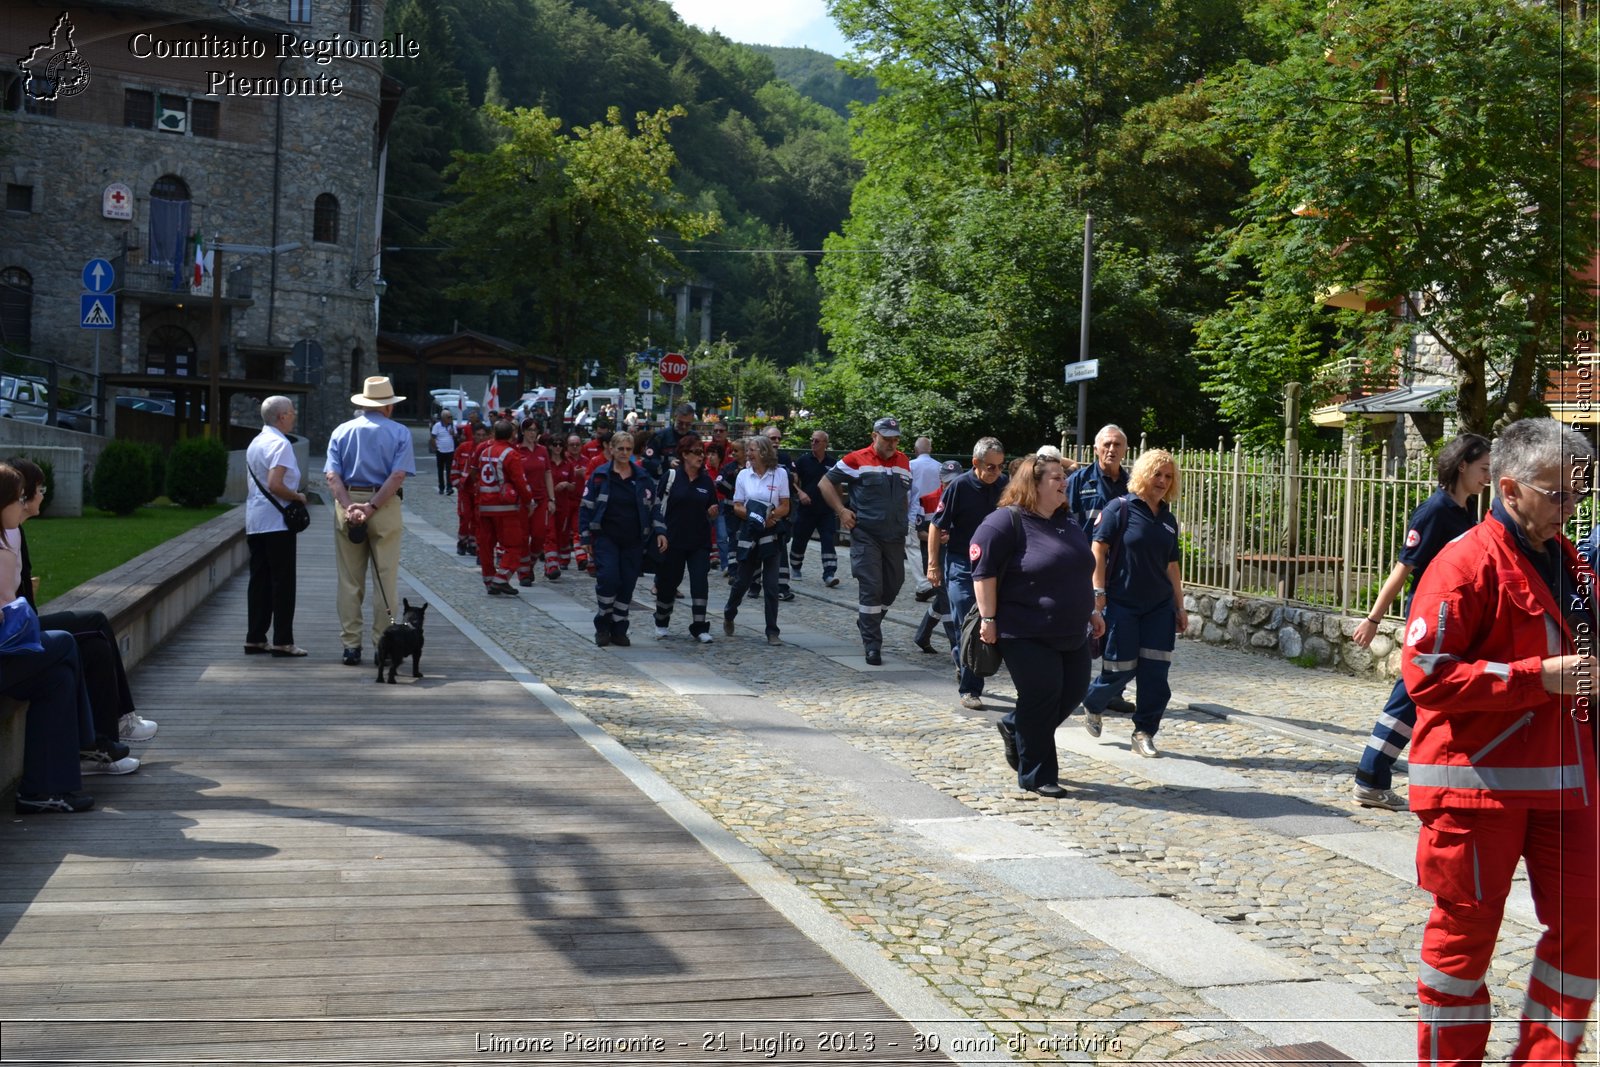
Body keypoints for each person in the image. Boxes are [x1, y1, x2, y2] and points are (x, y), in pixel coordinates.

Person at [1401, 418, 1598, 1065]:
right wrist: (1535, 677)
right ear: (1509, 488)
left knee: (1586, 928)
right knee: (1463, 949)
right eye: (1560, 495)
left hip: (1565, 781)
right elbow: (1426, 673)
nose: (1572, 509)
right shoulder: (1463, 562)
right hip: (1477, 789)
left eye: (1580, 496)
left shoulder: (1568, 558)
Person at [1348, 433, 1492, 811]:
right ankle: (1370, 777)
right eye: (1483, 468)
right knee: (1410, 696)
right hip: (1431, 617)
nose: (1488, 476)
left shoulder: (1464, 512)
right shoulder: (1434, 511)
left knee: (1434, 697)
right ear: (1462, 466)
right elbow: (1402, 570)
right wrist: (1373, 619)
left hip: (1456, 617)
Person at [970, 452, 1103, 798]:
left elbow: (1078, 570)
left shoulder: (1067, 521)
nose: (1064, 483)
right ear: (1034, 484)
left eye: (1063, 476)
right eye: (1056, 478)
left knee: (1072, 693)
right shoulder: (1004, 522)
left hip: (1072, 628)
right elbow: (982, 572)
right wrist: (988, 618)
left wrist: (1092, 610)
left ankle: (1017, 726)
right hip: (1024, 630)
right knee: (1042, 696)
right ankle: (1037, 774)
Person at [10, 459, 157, 748]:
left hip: (22, 628)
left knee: (96, 646)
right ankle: (120, 722)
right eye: (40, 488)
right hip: (17, 637)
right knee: (95, 623)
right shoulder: (8, 536)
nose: (43, 494)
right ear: (23, 494)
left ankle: (100, 743)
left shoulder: (15, 532)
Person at [1080, 449, 1187, 757]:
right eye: (1157, 474)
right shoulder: (1119, 508)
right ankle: (1093, 701)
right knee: (1120, 667)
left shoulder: (1167, 519)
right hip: (1123, 603)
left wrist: (1180, 606)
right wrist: (1097, 591)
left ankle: (1144, 731)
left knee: (1156, 675)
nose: (1163, 481)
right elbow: (1097, 550)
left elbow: (1172, 567)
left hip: (1159, 609)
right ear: (1143, 474)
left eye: (1168, 476)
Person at [324, 376, 415, 666]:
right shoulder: (400, 432)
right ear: (388, 406)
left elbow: (331, 476)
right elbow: (398, 475)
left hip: (347, 504)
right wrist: (372, 507)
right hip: (384, 505)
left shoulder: (342, 431)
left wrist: (351, 508)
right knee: (385, 578)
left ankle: (351, 645)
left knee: (349, 580)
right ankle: (382, 644)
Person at [819, 416, 914, 666]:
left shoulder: (904, 460)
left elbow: (902, 497)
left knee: (894, 585)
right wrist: (842, 511)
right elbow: (826, 482)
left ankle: (867, 621)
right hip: (866, 535)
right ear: (874, 437)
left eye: (895, 439)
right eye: (886, 439)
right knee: (871, 587)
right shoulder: (855, 459)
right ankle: (872, 644)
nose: (892, 444)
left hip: (894, 536)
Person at [928, 438, 1008, 710]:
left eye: (999, 467)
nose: (995, 472)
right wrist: (933, 564)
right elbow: (936, 526)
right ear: (975, 463)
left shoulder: (1004, 486)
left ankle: (961, 657)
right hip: (962, 564)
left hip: (994, 566)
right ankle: (970, 689)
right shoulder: (959, 486)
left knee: (989, 622)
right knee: (972, 623)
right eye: (990, 467)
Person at [244, 396, 307, 657]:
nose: (294, 416)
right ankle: (283, 640)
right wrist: (298, 497)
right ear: (281, 416)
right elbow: (275, 484)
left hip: (255, 520)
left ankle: (255, 637)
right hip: (277, 523)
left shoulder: (256, 442)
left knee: (259, 581)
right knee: (283, 582)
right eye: (291, 413)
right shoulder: (281, 444)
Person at [580, 431, 654, 647]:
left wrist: (658, 532)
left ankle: (619, 627)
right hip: (606, 537)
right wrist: (585, 536)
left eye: (628, 449)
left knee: (627, 583)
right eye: (620, 448)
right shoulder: (601, 475)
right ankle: (603, 625)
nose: (624, 453)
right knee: (609, 578)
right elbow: (586, 506)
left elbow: (653, 506)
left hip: (633, 539)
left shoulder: (641, 477)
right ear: (611, 449)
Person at [723, 435, 790, 645]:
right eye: (748, 450)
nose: (749, 454)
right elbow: (737, 506)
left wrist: (770, 517)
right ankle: (729, 612)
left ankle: (772, 631)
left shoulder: (779, 474)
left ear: (764, 452)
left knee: (771, 585)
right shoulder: (743, 475)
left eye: (752, 450)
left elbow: (785, 505)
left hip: (772, 532)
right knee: (742, 580)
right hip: (750, 532)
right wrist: (757, 517)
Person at [652, 434, 719, 643]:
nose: (702, 456)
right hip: (673, 540)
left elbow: (711, 508)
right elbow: (656, 507)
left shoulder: (706, 481)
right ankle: (661, 620)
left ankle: (699, 627)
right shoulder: (672, 476)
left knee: (700, 583)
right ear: (684, 454)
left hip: (699, 541)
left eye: (703, 452)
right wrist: (660, 532)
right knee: (668, 583)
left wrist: (712, 512)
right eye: (697, 452)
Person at [474, 419, 533, 596]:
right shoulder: (510, 454)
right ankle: (502, 578)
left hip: (484, 506)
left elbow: (476, 475)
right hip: (504, 507)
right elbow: (520, 481)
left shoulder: (485, 451)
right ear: (512, 435)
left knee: (486, 546)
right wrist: (529, 501)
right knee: (515, 544)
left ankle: (489, 580)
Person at [912, 460, 963, 654]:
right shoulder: (927, 499)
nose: (949, 485)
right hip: (934, 555)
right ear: (940, 479)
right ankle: (956, 644)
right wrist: (937, 539)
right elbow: (920, 532)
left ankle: (922, 635)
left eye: (954, 481)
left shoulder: (963, 498)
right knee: (946, 598)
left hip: (954, 554)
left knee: (942, 599)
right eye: (947, 481)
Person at [790, 429, 840, 587]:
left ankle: (829, 574)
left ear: (825, 444)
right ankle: (795, 567)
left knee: (828, 540)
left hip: (826, 510)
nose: (813, 443)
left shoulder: (832, 464)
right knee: (800, 539)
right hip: (807, 509)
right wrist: (800, 493)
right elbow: (792, 481)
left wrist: (839, 507)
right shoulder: (803, 461)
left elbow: (837, 485)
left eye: (817, 441)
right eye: (812, 440)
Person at [515, 417, 559, 583]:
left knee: (540, 535)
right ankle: (524, 573)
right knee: (523, 537)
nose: (532, 433)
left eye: (535, 430)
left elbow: (547, 473)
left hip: (541, 500)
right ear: (523, 431)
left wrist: (551, 498)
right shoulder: (517, 451)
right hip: (523, 501)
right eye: (529, 430)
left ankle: (530, 564)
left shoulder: (542, 451)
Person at [1065, 424, 1129, 529]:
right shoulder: (1078, 480)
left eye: (1117, 444)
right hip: (1084, 545)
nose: (1112, 449)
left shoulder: (1133, 485)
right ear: (1095, 450)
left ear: (1125, 450)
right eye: (1107, 444)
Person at [762, 424, 798, 602]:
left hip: (780, 510)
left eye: (778, 439)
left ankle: (782, 586)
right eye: (772, 438)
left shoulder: (784, 458)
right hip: (758, 511)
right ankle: (751, 583)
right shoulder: (756, 458)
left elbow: (794, 479)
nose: (776, 442)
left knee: (781, 546)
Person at [908, 436, 942, 601]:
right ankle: (936, 581)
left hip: (916, 512)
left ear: (915, 451)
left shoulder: (910, 466)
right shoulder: (939, 467)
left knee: (914, 548)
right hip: (936, 512)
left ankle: (923, 584)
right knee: (935, 547)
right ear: (930, 450)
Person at [552, 432, 585, 571]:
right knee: (563, 531)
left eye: (577, 444)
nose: (575, 447)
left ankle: (581, 558)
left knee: (578, 530)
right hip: (564, 501)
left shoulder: (586, 460)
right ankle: (563, 558)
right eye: (572, 445)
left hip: (580, 501)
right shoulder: (564, 459)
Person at [715, 438, 746, 580]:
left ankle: (745, 568)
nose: (733, 454)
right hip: (731, 509)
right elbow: (719, 484)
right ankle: (733, 570)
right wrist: (733, 476)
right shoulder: (728, 468)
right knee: (733, 538)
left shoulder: (752, 468)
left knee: (744, 538)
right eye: (732, 450)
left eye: (736, 451)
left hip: (747, 509)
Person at [645, 403, 696, 478]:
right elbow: (647, 461)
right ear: (675, 417)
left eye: (688, 424)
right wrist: (667, 465)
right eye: (680, 423)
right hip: (664, 481)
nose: (684, 427)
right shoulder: (660, 436)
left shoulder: (695, 438)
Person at [429, 408, 458, 495]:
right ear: (443, 418)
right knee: (440, 469)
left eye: (451, 417)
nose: (450, 419)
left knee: (449, 470)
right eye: (449, 417)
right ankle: (441, 487)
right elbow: (433, 438)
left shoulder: (452, 425)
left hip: (450, 451)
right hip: (440, 451)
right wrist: (435, 447)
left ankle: (449, 487)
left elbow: (456, 436)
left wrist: (453, 434)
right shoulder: (437, 426)